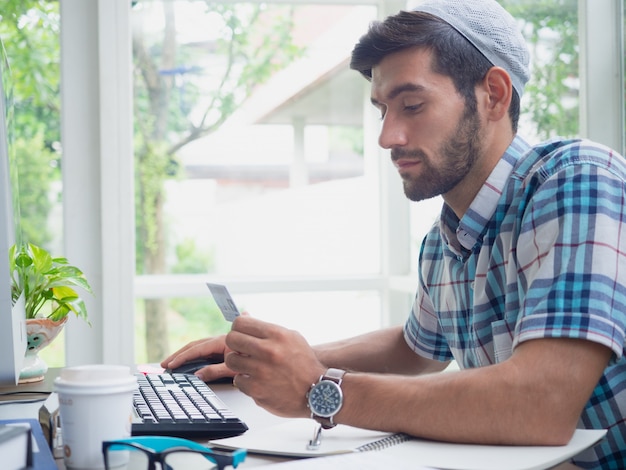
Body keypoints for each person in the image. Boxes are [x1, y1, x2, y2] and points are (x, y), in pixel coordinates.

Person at [162, 1, 626, 468]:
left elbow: (540, 405)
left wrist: (319, 390)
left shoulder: (577, 180)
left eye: (412, 105)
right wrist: (273, 358)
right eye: (383, 110)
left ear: (494, 95)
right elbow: (414, 348)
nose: (387, 136)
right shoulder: (444, 241)